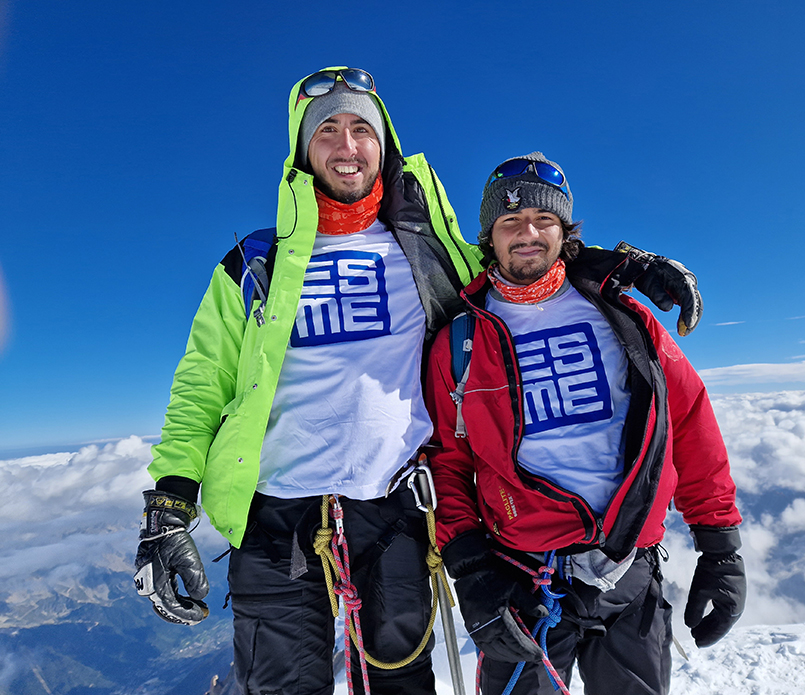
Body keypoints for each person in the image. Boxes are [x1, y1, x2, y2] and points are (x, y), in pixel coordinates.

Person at [133, 67, 706, 695]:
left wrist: (621, 266)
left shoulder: (428, 250)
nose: (347, 146)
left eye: (361, 128)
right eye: (327, 129)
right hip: (275, 516)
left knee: (402, 688)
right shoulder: (252, 265)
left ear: (384, 144)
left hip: (396, 510)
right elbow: (201, 387)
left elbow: (518, 261)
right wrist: (169, 505)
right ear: (301, 147)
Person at [424, 152, 746, 695]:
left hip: (631, 571)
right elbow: (447, 463)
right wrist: (471, 568)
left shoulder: (623, 316)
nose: (527, 233)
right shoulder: (458, 342)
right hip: (521, 581)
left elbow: (687, 421)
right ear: (489, 237)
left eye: (543, 220)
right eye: (509, 222)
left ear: (563, 231)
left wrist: (720, 544)